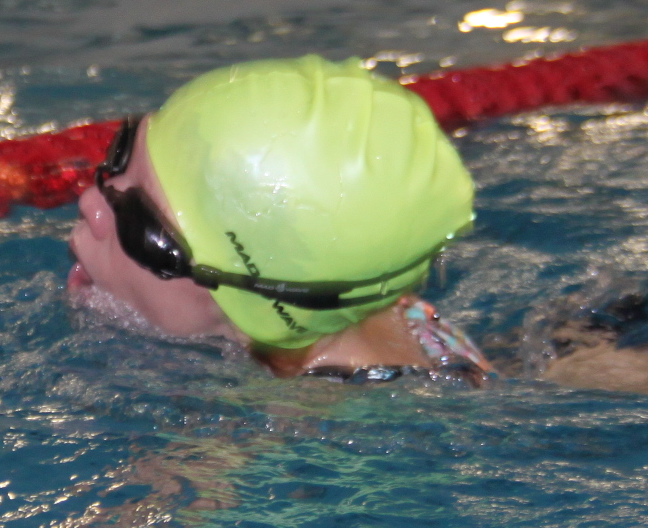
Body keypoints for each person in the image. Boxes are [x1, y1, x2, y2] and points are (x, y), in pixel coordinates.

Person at [66, 55, 491, 382]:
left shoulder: (292, 429)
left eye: (142, 229)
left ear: (253, 315)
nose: (91, 203)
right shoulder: (387, 310)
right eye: (120, 153)